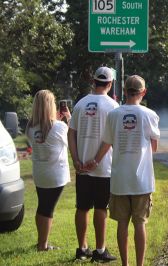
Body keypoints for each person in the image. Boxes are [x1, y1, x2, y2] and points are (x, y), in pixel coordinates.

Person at [85, 75, 160, 266]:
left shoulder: (114, 115)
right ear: (143, 92)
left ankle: (125, 264)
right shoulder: (150, 115)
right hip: (141, 181)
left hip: (119, 180)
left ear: (124, 91)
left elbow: (106, 144)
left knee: (122, 224)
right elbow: (154, 147)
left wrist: (94, 161)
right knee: (140, 223)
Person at [68, 66, 119, 262]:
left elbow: (71, 133)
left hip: (82, 168)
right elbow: (110, 138)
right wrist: (97, 159)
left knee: (82, 207)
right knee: (100, 208)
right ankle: (99, 250)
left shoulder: (81, 104)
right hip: (103, 167)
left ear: (93, 81)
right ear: (110, 83)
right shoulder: (113, 106)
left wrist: (76, 159)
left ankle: (82, 249)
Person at [26, 90, 71, 251]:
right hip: (55, 174)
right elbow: (73, 139)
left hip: (40, 173)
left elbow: (42, 137)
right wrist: (69, 119)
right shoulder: (59, 126)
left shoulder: (30, 126)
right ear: (50, 105)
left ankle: (41, 242)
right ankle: (43, 245)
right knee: (48, 209)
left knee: (42, 206)